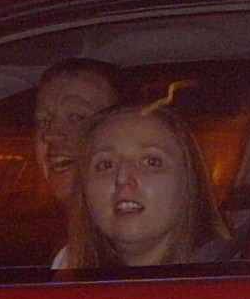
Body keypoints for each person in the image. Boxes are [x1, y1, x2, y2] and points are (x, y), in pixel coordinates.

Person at [65, 104, 230, 268]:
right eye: (106, 165)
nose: (122, 178)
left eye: (151, 162)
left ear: (189, 180)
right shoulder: (67, 278)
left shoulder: (229, 275)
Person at [33, 58, 119, 268]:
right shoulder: (69, 256)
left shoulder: (142, 254)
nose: (50, 135)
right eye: (44, 121)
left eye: (77, 117)